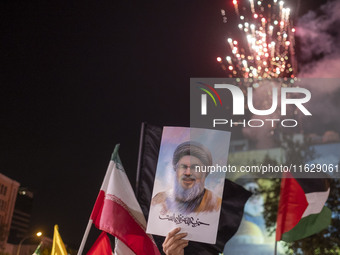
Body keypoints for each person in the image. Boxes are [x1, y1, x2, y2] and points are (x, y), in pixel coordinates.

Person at [151, 141, 222, 214]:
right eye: (183, 167)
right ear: (176, 170)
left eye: (194, 168)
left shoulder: (217, 206)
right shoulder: (159, 200)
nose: (188, 173)